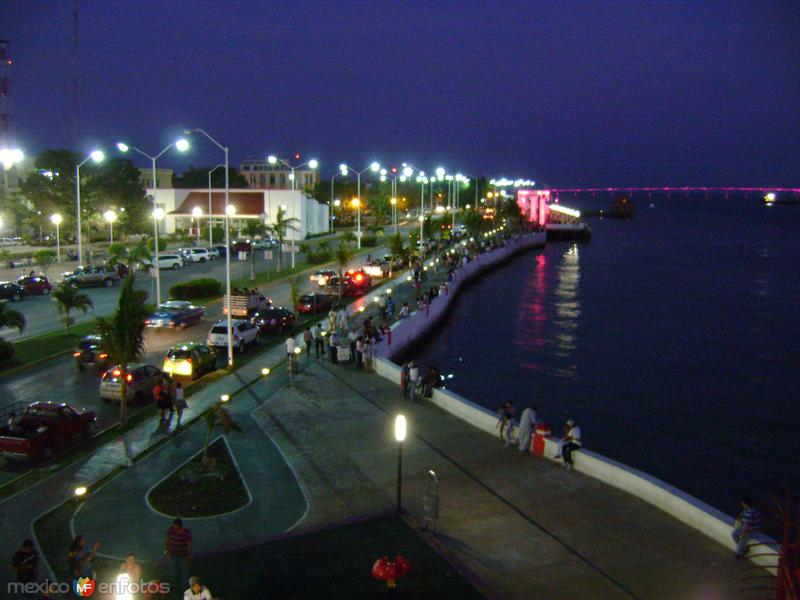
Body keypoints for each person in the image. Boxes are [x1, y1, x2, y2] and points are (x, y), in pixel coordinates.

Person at [165, 518, 192, 592]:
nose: (175, 528)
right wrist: (166, 551)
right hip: (172, 554)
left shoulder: (186, 532)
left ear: (180, 526)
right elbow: (167, 540)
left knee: (184, 571)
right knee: (173, 570)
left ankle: (184, 587)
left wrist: (189, 554)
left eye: (176, 526)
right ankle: (173, 584)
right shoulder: (171, 530)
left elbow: (189, 544)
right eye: (174, 526)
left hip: (183, 555)